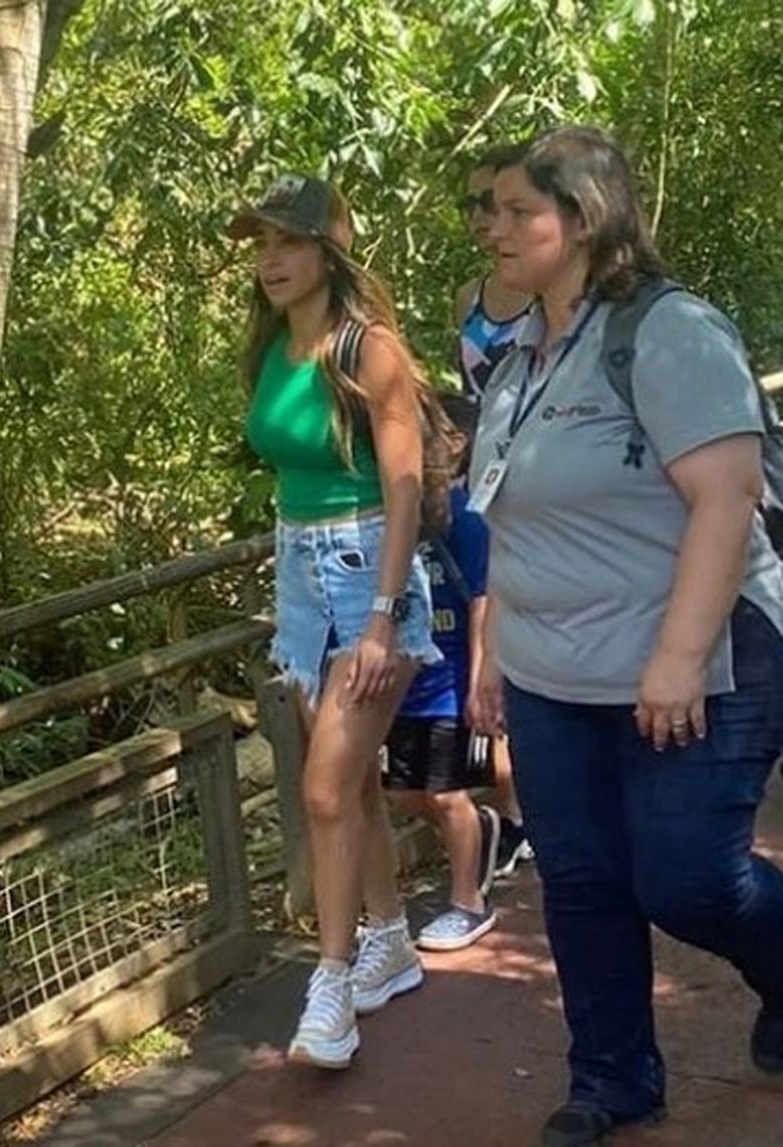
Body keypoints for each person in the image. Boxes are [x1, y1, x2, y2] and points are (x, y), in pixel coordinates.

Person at [468, 126, 783, 1147]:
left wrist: (674, 656)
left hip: (696, 659)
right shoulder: (516, 361)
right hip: (553, 674)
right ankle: (614, 1079)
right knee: (582, 881)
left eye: (514, 211)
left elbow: (723, 502)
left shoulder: (671, 333)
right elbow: (505, 514)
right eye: (485, 212)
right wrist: (493, 657)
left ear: (582, 218)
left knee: (684, 874)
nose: (490, 230)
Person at [227, 174, 454, 1069]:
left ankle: (330, 986)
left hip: (369, 572)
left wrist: (383, 618)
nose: (270, 260)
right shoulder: (270, 349)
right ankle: (388, 938)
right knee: (351, 782)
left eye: (286, 241)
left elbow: (402, 484)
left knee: (322, 789)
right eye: (259, 245)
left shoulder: (369, 350)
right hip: (298, 571)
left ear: (329, 249)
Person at [383, 392, 501, 949]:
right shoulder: (398, 512)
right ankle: (482, 833)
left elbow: (484, 597)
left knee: (448, 793)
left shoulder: (467, 519)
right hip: (405, 681)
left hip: (449, 681)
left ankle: (468, 902)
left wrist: (482, 676)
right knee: (408, 795)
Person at [455, 146, 535, 877]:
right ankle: (516, 810)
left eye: (500, 205)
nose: (485, 220)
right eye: (476, 206)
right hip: (484, 485)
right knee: (487, 623)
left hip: (540, 481)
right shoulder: (471, 296)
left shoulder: (549, 296)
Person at [455, 144, 535, 402]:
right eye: (470, 205)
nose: (477, 215)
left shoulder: (555, 293)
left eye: (489, 202)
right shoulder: (468, 298)